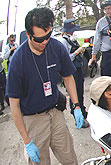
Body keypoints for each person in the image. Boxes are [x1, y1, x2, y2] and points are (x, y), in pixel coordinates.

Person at [6, 7, 83, 164]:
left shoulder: (57, 47)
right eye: (40, 39)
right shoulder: (18, 62)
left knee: (70, 158)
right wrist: (27, 141)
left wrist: (76, 106)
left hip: (55, 112)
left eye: (48, 36)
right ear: (28, 35)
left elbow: (68, 77)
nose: (45, 42)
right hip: (32, 119)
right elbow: (14, 105)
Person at [58, 18, 89, 128]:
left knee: (80, 92)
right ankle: (77, 117)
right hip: (72, 71)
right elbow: (66, 59)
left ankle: (83, 112)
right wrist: (76, 52)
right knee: (74, 94)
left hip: (78, 68)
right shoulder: (63, 42)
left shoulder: (72, 38)